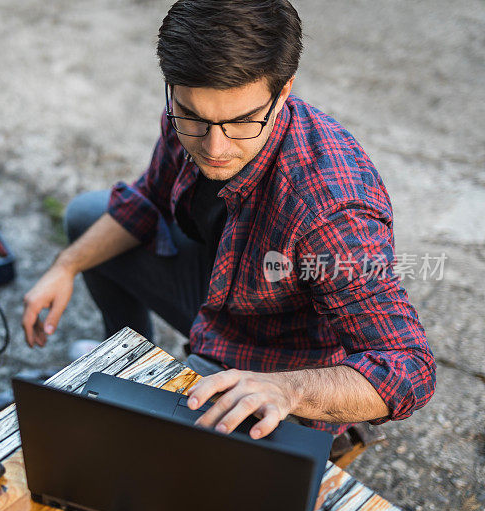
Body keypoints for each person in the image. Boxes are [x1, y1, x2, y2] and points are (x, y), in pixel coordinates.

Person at [22, 0, 435, 439]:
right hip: (220, 301)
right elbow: (146, 202)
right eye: (195, 117)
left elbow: (408, 365)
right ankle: (129, 362)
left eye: (241, 121)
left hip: (278, 366)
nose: (214, 147)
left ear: (284, 91)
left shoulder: (330, 209)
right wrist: (64, 266)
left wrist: (288, 391)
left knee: (142, 450)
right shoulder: (188, 116)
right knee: (87, 216)